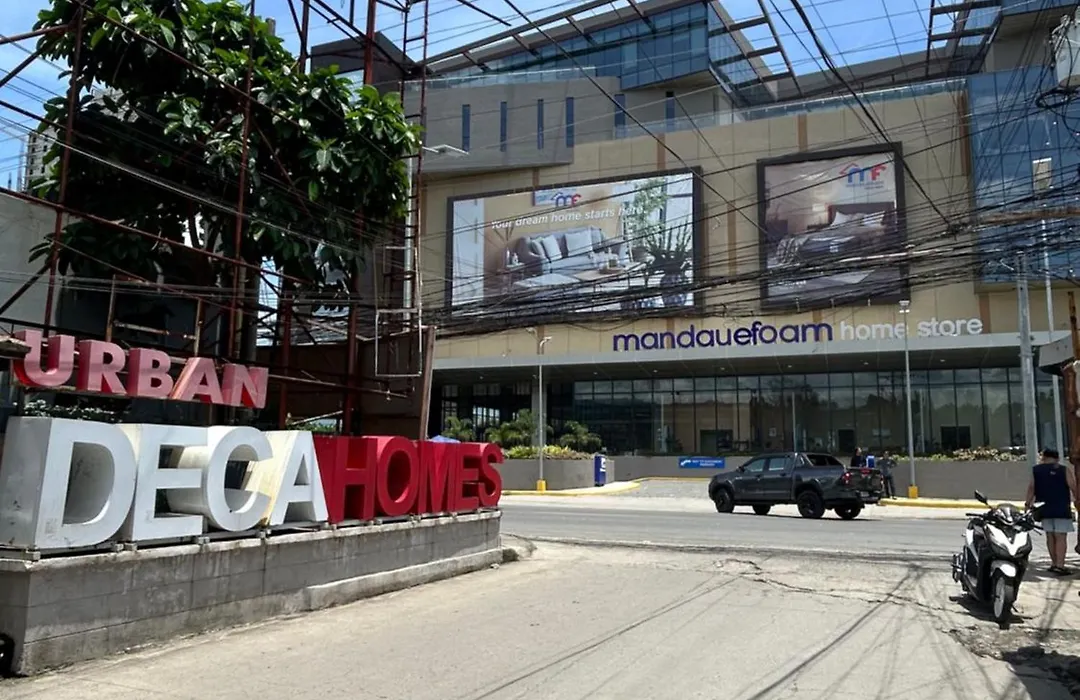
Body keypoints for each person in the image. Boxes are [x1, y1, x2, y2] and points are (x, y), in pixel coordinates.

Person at [1026, 447, 1080, 575]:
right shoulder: (1063, 470)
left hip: (1043, 508)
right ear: (1057, 458)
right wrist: (1077, 499)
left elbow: (1031, 488)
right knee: (1060, 537)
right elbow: (1073, 487)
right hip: (1061, 508)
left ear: (1044, 457)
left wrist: (1027, 504)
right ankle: (1060, 566)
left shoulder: (1036, 470)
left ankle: (1054, 563)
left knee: (1050, 536)